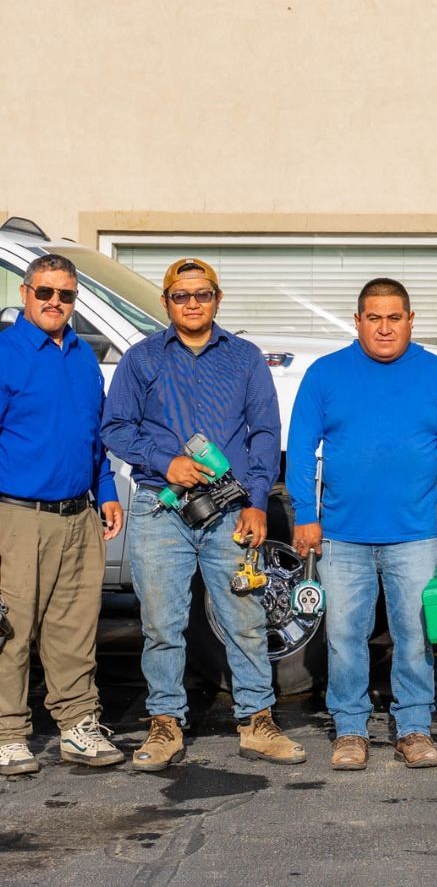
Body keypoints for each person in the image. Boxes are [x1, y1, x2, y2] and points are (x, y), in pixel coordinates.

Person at [102, 257, 304, 771]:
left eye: (203, 294)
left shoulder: (245, 358)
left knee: (245, 618)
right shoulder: (141, 359)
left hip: (231, 509)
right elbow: (116, 428)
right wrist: (164, 462)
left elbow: (264, 434)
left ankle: (257, 720)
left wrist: (258, 502)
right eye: (181, 295)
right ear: (166, 302)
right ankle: (166, 723)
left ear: (218, 298)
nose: (193, 304)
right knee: (161, 624)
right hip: (159, 508)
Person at [287, 278, 437, 771]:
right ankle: (350, 729)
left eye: (395, 318)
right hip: (341, 536)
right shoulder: (325, 374)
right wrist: (306, 514)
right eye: (374, 317)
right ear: (358, 321)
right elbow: (301, 448)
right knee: (345, 636)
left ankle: (413, 727)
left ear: (411, 321)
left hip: (414, 535)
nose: (385, 328)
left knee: (415, 636)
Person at [0, 255, 124, 775]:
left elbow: (92, 438)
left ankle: (78, 726)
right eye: (46, 292)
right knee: (11, 628)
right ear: (26, 292)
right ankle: (7, 732)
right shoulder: (5, 354)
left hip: (79, 514)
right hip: (17, 515)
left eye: (66, 295)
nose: (56, 302)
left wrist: (108, 489)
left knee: (74, 628)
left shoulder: (81, 358)